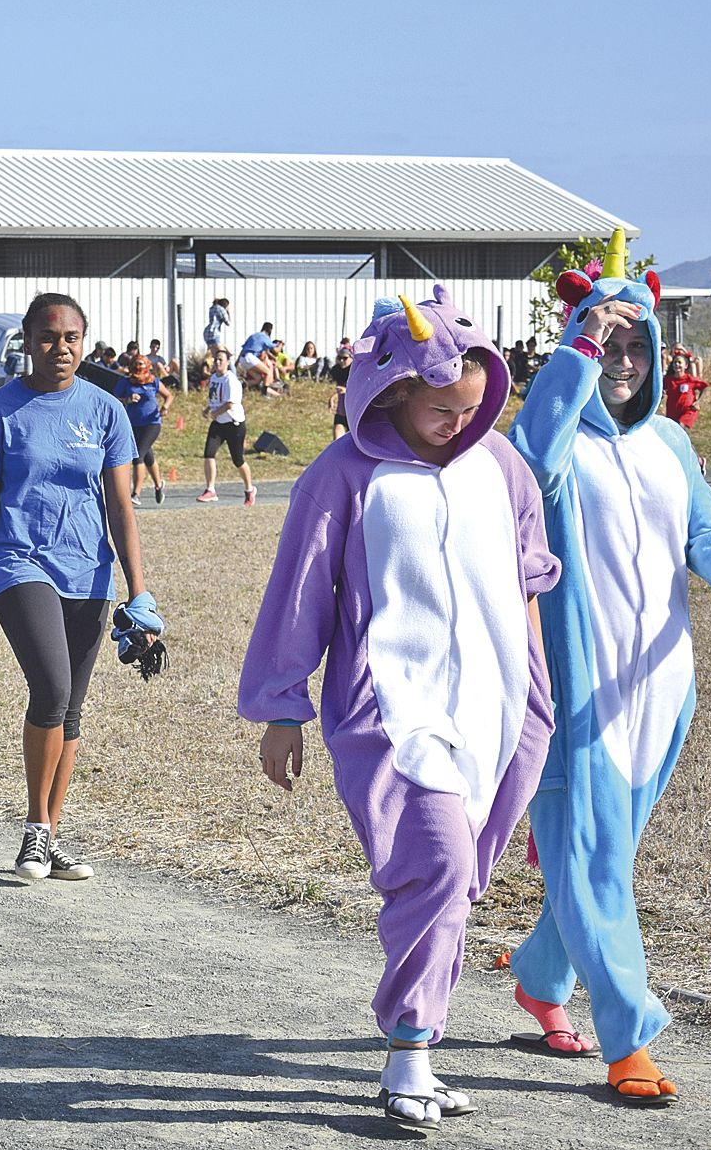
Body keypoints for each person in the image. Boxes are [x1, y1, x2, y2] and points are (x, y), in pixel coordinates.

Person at [241, 289, 559, 1132]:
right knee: (440, 867)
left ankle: (417, 1043)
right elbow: (301, 592)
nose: (459, 422)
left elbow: (528, 580)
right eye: (439, 406)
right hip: (392, 709)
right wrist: (282, 707)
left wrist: (536, 698)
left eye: (469, 406)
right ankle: (407, 1053)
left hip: (496, 707)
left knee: (459, 882)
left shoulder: (503, 465)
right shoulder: (343, 476)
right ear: (391, 391)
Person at [506, 237, 711, 1109]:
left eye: (631, 346)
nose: (618, 361)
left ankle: (541, 976)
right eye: (601, 341)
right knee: (592, 857)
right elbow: (533, 455)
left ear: (654, 357)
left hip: (661, 689)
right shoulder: (546, 442)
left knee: (600, 859)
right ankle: (628, 1038)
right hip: (573, 693)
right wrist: (574, 352)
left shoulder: (668, 444)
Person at [0, 292, 161, 882]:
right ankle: (34, 829)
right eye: (48, 337)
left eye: (72, 337)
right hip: (20, 565)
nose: (61, 348)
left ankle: (50, 832)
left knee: (70, 708)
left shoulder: (105, 411)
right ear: (27, 340)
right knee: (49, 688)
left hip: (88, 573)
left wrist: (139, 594)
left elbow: (121, 506)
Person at [197, 346, 256, 504]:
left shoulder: (231, 380)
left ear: (227, 362)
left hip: (233, 424)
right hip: (218, 423)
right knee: (209, 453)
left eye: (220, 360)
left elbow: (230, 403)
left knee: (237, 459)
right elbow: (216, 399)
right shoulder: (214, 378)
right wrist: (208, 409)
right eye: (215, 359)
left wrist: (215, 413)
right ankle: (210, 489)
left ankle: (250, 488)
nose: (217, 362)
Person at [109, 355, 172, 504]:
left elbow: (168, 396)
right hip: (133, 424)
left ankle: (136, 493)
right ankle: (159, 485)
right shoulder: (125, 382)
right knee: (148, 456)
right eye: (136, 366)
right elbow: (114, 399)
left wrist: (165, 407)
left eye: (141, 366)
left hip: (152, 423)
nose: (138, 370)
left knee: (138, 456)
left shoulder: (153, 381)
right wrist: (127, 400)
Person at [661, 351, 710, 429]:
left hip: (688, 411)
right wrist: (661, 394)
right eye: (675, 362)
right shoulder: (668, 380)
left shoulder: (689, 379)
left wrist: (698, 402)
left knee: (680, 426)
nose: (677, 364)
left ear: (686, 366)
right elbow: (660, 389)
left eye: (679, 362)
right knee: (673, 431)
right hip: (672, 412)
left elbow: (705, 387)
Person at [238, 322, 284, 392]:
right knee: (267, 372)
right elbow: (276, 350)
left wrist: (237, 362)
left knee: (257, 378)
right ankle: (264, 393)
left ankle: (240, 386)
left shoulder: (253, 336)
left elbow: (243, 349)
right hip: (250, 357)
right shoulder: (265, 337)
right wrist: (281, 344)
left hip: (243, 359)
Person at [328, 345, 355, 440]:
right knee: (337, 440)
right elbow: (334, 389)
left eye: (345, 358)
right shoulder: (336, 370)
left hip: (354, 412)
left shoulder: (357, 371)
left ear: (352, 358)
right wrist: (333, 397)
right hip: (341, 411)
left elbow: (363, 390)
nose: (342, 361)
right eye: (339, 358)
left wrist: (347, 391)